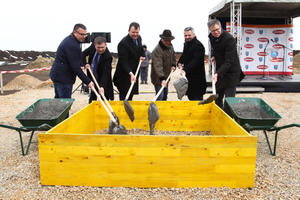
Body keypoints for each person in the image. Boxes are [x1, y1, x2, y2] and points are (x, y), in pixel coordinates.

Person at [207, 19, 244, 110]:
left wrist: (217, 74)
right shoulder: (211, 37)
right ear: (210, 30)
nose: (216, 32)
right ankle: (219, 115)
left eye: (217, 29)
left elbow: (229, 61)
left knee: (229, 100)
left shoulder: (229, 39)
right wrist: (213, 56)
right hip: (220, 70)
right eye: (213, 31)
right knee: (217, 98)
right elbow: (214, 49)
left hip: (231, 72)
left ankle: (228, 118)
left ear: (221, 27)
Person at [50, 23, 94, 99]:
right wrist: (88, 82)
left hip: (58, 76)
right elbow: (75, 68)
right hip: (63, 78)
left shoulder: (71, 40)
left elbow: (73, 58)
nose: (84, 37)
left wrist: (82, 64)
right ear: (74, 32)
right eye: (81, 34)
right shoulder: (72, 45)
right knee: (64, 103)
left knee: (58, 102)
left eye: (85, 34)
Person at [113, 22, 145, 100]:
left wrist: (142, 55)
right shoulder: (123, 44)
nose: (135, 34)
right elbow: (123, 61)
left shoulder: (139, 38)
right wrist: (130, 73)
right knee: (124, 97)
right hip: (124, 74)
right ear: (128, 31)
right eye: (133, 32)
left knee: (131, 95)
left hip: (134, 72)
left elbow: (140, 48)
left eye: (137, 32)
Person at [82, 36, 114, 103]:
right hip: (93, 78)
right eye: (98, 47)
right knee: (92, 98)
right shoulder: (92, 48)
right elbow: (83, 54)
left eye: (102, 47)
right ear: (95, 45)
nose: (100, 49)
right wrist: (85, 63)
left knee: (104, 98)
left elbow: (106, 74)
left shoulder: (108, 57)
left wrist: (102, 86)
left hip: (103, 81)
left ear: (106, 45)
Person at [178, 27, 207, 100]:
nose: (187, 37)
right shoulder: (186, 44)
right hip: (189, 78)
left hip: (198, 80)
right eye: (185, 35)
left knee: (197, 102)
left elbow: (195, 61)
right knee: (190, 98)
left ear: (194, 34)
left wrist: (185, 69)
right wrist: (180, 62)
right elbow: (184, 55)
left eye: (189, 35)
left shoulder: (199, 46)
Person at [151, 29, 176, 101]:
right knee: (160, 96)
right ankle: (157, 111)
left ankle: (163, 111)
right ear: (162, 39)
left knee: (165, 95)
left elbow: (173, 56)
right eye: (166, 40)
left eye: (169, 40)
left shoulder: (170, 47)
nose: (168, 42)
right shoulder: (157, 50)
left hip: (167, 76)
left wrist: (174, 65)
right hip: (158, 78)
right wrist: (162, 78)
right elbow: (158, 65)